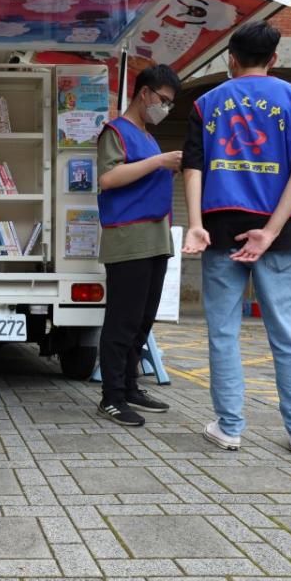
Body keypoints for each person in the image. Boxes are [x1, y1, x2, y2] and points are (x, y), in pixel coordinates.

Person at [182, 21, 291, 456]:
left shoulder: (206, 103)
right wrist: (271, 231)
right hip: (279, 233)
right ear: (274, 58)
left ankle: (230, 428)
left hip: (220, 227)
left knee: (223, 333)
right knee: (286, 333)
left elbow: (194, 167)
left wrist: (194, 223)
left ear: (232, 58)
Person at [95, 63, 183, 427]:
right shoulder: (116, 132)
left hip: (155, 238)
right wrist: (160, 161)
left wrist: (161, 163)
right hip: (129, 239)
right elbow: (108, 177)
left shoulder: (147, 135)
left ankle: (130, 386)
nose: (164, 108)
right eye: (162, 100)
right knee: (123, 320)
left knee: (143, 319)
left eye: (170, 104)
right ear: (144, 93)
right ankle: (111, 397)